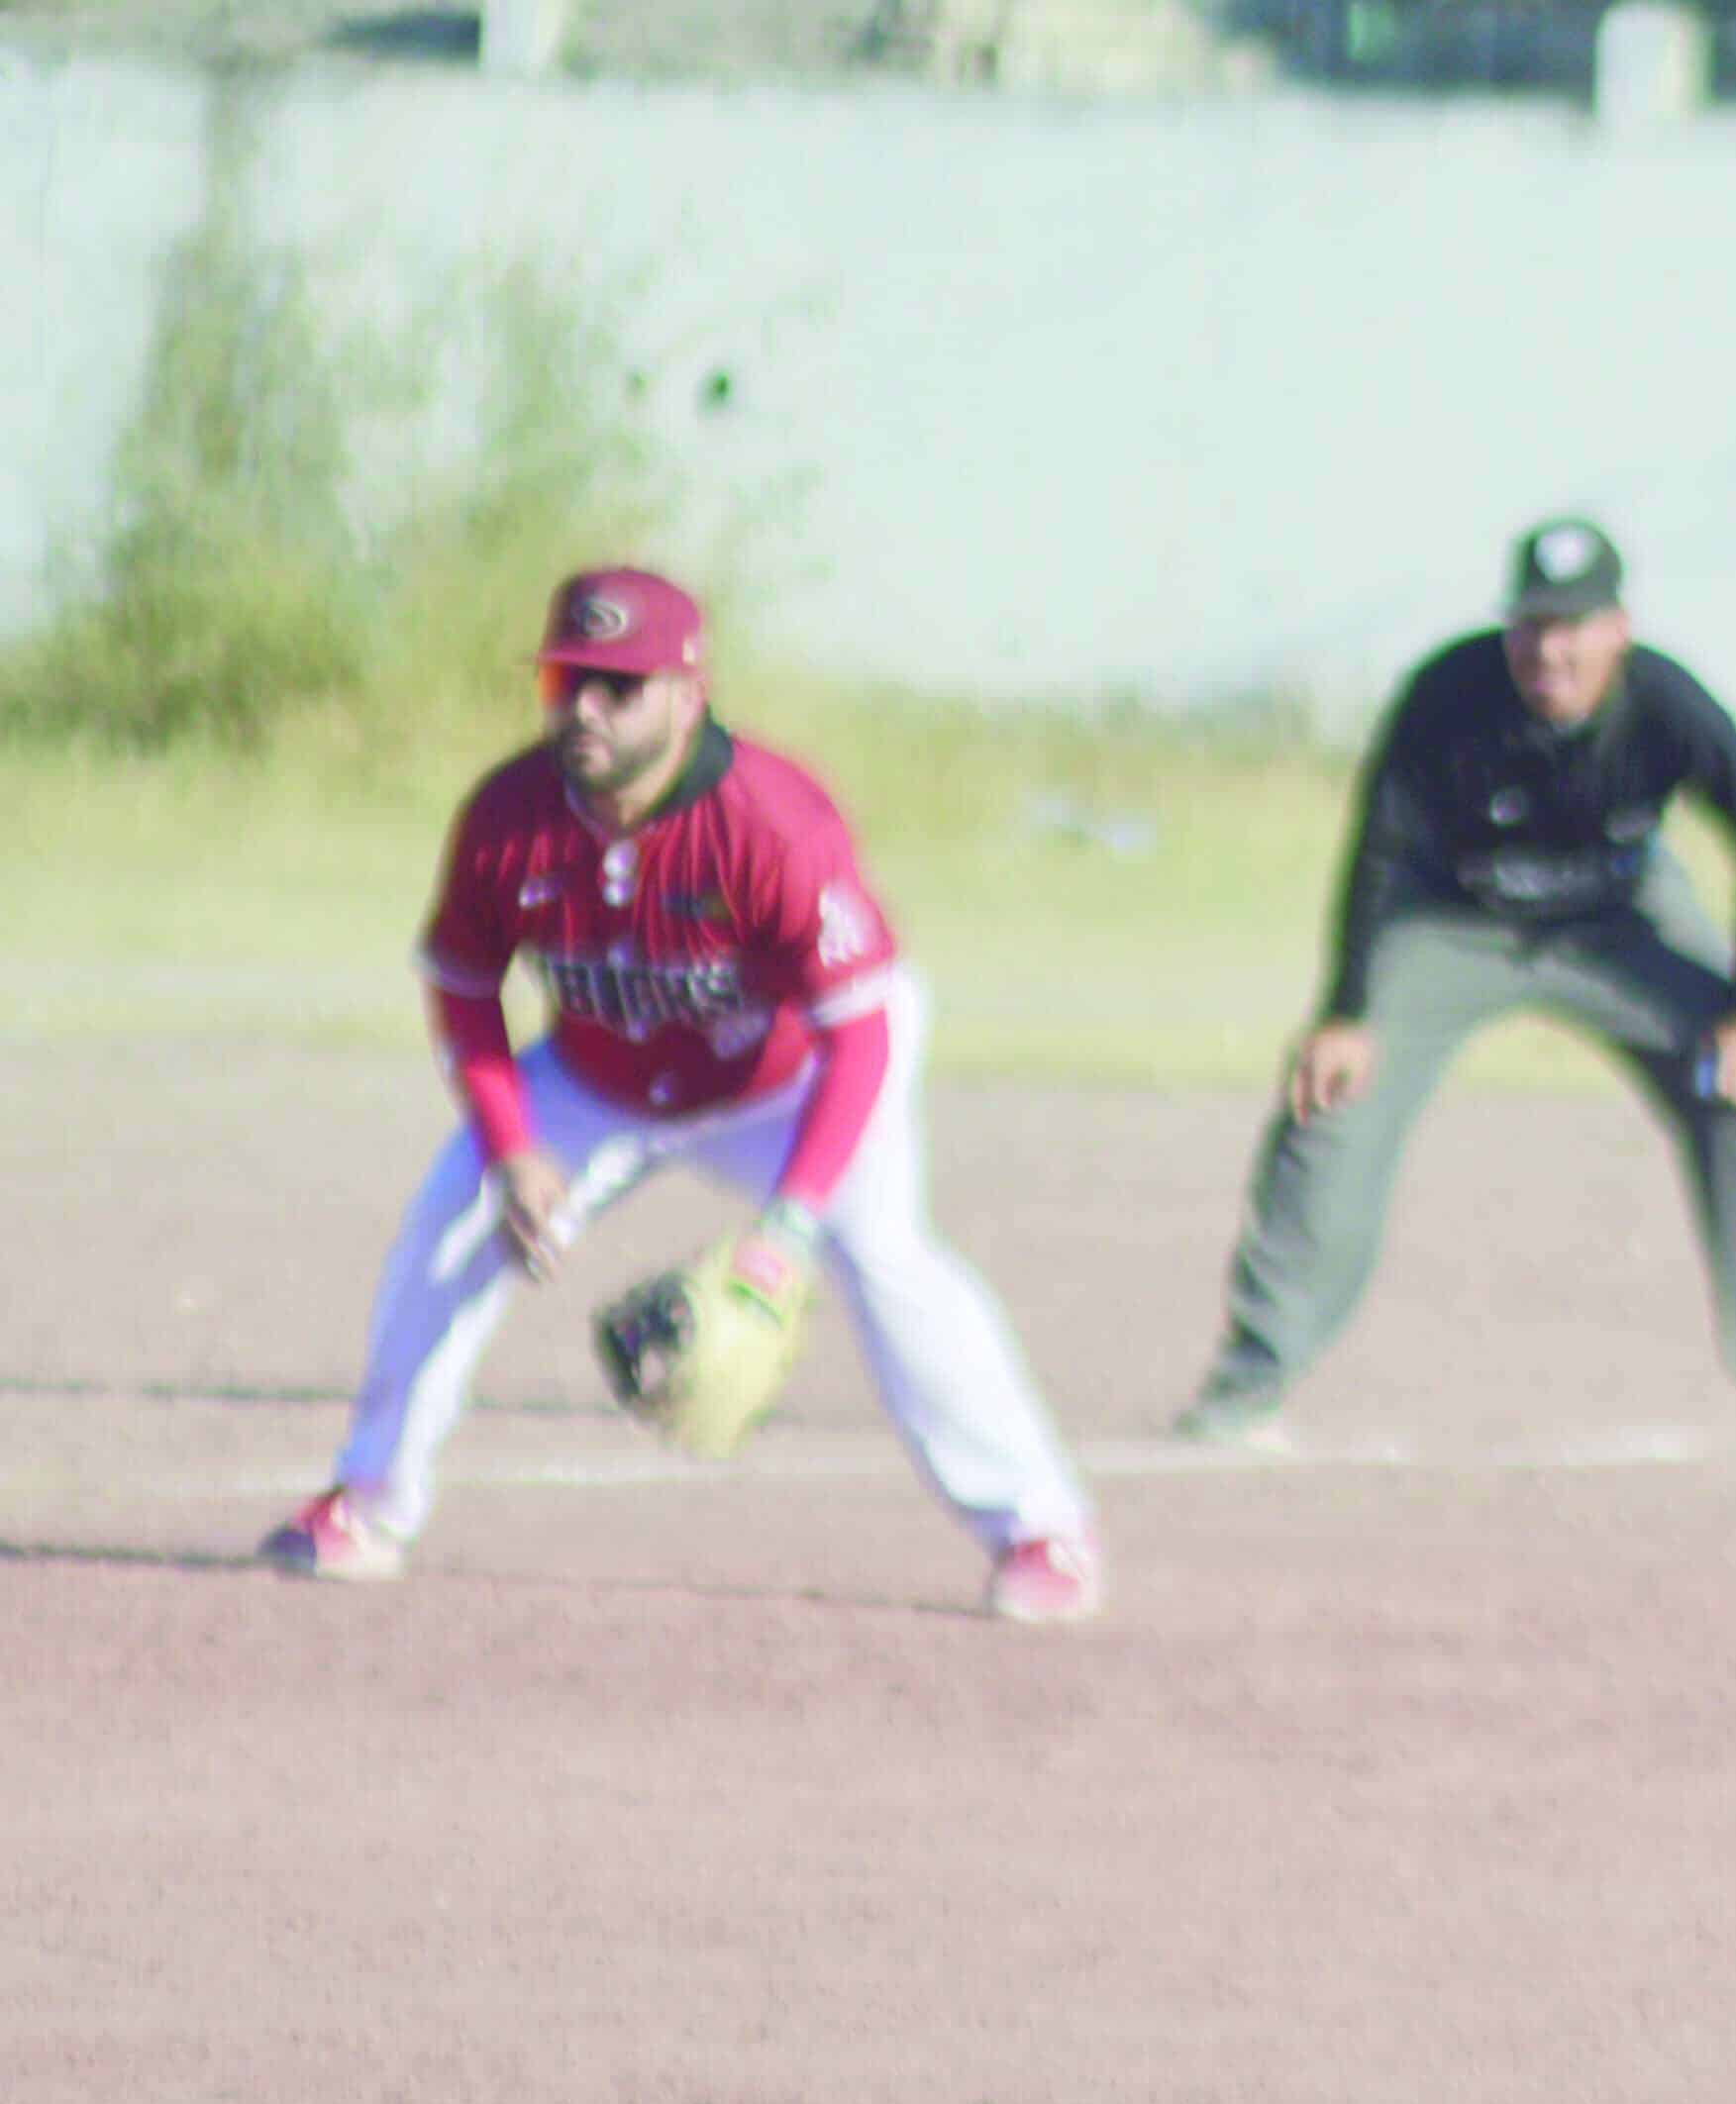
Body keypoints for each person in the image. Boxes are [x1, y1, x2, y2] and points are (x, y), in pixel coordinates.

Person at [258, 567, 1104, 1625]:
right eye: (570, 681)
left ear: (687, 695)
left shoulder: (770, 822)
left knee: (885, 1253)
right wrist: (515, 1149)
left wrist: (787, 1227)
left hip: (784, 1084)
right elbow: (465, 992)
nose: (588, 709)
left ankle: (1040, 1530)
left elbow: (865, 1033)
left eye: (621, 686)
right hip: (599, 1079)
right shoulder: (510, 817)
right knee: (450, 1222)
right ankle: (370, 1507)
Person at [1173, 518, 1736, 1452]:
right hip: (1452, 919)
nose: (1552, 649)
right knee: (1334, 1093)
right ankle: (1251, 1381)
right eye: (1533, 625)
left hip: (1620, 921)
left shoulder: (1666, 704)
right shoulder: (1448, 695)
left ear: (1618, 630)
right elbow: (1377, 847)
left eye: (1576, 626)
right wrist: (1344, 1011)